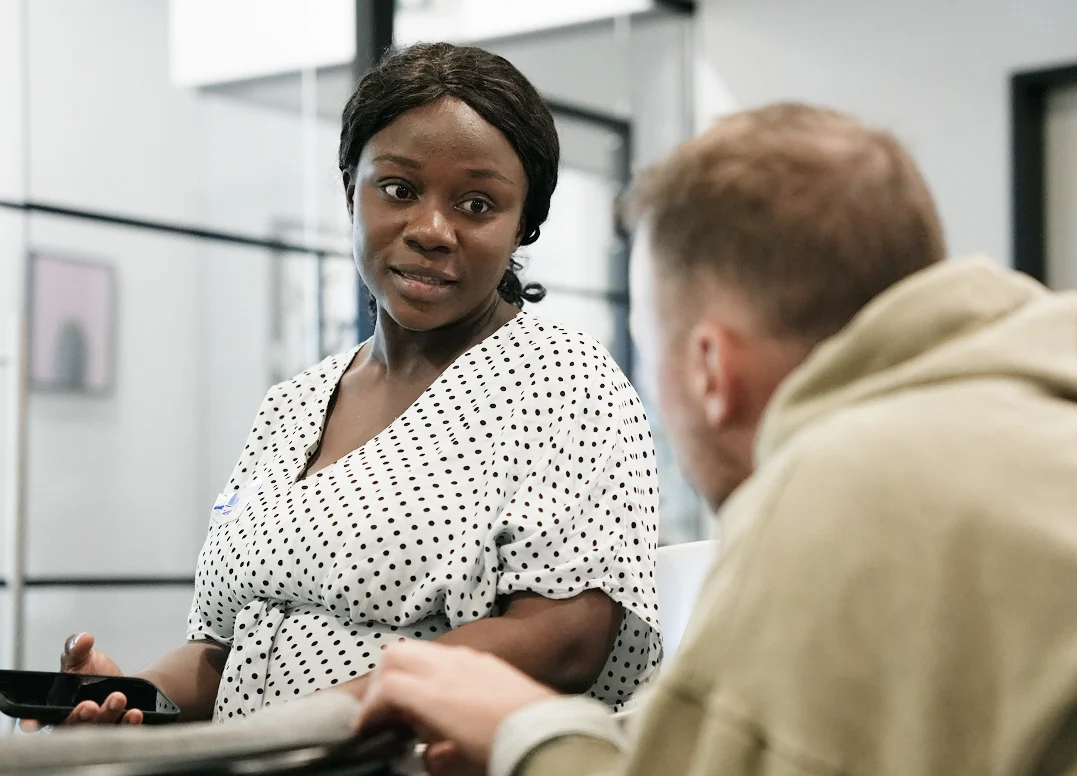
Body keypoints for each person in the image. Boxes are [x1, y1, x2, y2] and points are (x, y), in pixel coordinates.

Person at [355, 102, 1077, 776]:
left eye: (654, 357)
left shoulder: (845, 489)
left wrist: (525, 735)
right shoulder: (1021, 415)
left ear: (709, 370)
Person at [28, 43, 661, 730]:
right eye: (399, 189)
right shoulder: (292, 404)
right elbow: (223, 650)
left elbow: (565, 637)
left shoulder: (563, 378)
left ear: (522, 225)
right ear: (350, 191)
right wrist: (128, 698)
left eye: (477, 204)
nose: (431, 230)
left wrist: (316, 722)